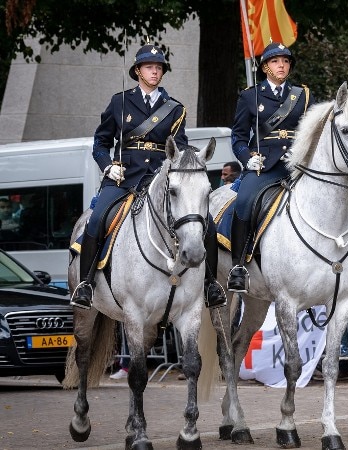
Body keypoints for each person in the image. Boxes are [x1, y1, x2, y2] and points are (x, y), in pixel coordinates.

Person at [71, 44, 226, 310]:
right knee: (97, 220)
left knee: (206, 224)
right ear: (138, 71)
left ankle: (211, 285)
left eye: (159, 68)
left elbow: (179, 147)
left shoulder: (175, 109)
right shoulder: (119, 102)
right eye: (149, 67)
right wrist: (108, 166)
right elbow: (101, 142)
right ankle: (86, 284)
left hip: (161, 178)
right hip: (124, 176)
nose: (155, 72)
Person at [227, 42, 315, 293]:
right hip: (264, 167)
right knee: (243, 201)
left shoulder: (303, 95)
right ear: (265, 66)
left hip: (298, 167)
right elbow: (239, 136)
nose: (282, 65)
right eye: (276, 61)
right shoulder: (250, 96)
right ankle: (238, 267)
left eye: (286, 61)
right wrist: (247, 158)